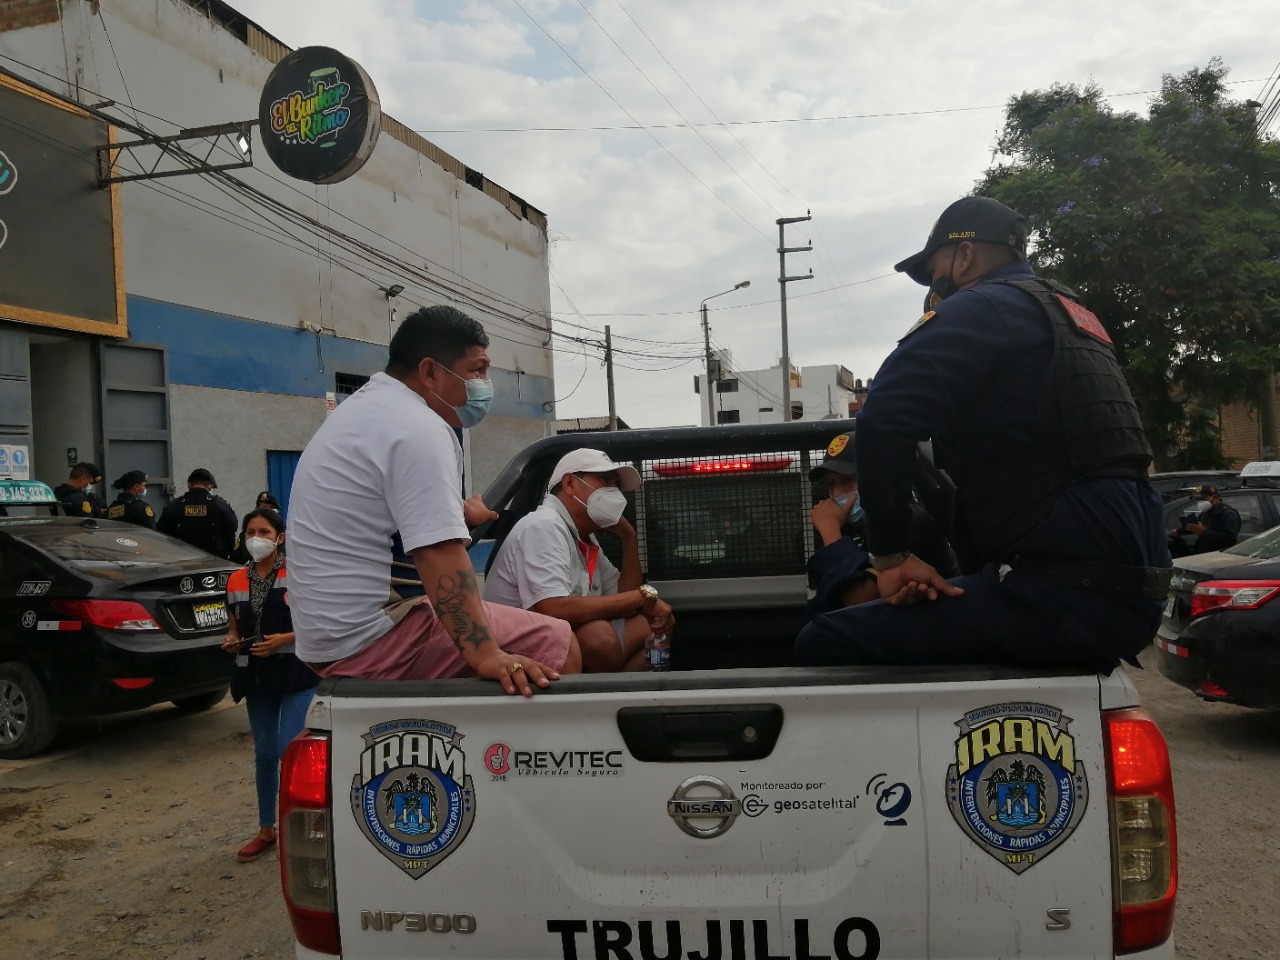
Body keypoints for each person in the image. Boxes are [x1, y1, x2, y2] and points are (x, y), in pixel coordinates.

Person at [796, 196, 1170, 674]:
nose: (935, 288)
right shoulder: (1071, 315)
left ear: (965, 256)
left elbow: (884, 418)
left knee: (823, 640)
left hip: (1058, 595)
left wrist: (891, 560)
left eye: (933, 273)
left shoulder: (984, 306)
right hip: (1132, 596)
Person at [286, 304, 580, 694]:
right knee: (559, 643)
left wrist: (461, 516)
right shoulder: (419, 427)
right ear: (429, 372)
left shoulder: (363, 411)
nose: (485, 383)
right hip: (373, 635)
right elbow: (437, 553)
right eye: (477, 370)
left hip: (326, 636)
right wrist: (486, 653)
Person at [484, 448, 675, 672]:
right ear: (569, 484)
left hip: (555, 644)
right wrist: (641, 598)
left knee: (656, 624)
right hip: (516, 655)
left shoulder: (585, 539)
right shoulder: (543, 526)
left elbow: (624, 602)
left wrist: (629, 537)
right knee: (598, 638)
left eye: (616, 485)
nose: (613, 491)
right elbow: (552, 609)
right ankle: (607, 698)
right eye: (605, 480)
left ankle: (622, 694)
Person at [219, 508, 318, 864]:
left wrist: (283, 640)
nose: (255, 538)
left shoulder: (300, 574)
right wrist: (232, 638)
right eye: (250, 531)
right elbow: (233, 624)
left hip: (295, 673)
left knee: (287, 752)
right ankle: (266, 829)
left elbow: (320, 623)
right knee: (264, 754)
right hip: (255, 675)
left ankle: (303, 830)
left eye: (263, 531)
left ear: (280, 537)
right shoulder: (235, 580)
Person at [805, 432, 958, 618]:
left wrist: (830, 532)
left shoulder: (906, 520)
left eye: (849, 480)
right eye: (831, 484)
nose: (837, 493)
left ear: (876, 479)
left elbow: (859, 602)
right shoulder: (851, 524)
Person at [157, 468, 238, 558]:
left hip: (182, 559)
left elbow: (161, 531)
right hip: (214, 561)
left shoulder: (175, 505)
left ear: (189, 485)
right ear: (210, 486)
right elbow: (233, 526)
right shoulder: (218, 504)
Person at [1169, 485, 1241, 556]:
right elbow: (1195, 526)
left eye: (1203, 499)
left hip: (1218, 555)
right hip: (1203, 553)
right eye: (1198, 500)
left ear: (1215, 497)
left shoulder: (1228, 514)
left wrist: (1204, 532)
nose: (1200, 502)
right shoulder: (1206, 512)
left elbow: (1229, 539)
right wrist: (1178, 531)